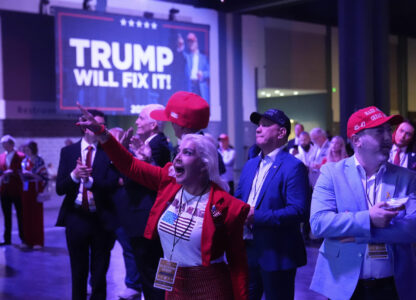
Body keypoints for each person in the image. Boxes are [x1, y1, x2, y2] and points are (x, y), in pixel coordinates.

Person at [77, 104, 250, 300]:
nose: (176, 158)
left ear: (204, 164)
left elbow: (238, 266)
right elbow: (130, 164)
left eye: (187, 153)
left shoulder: (226, 206)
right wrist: (101, 132)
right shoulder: (169, 182)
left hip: (207, 288)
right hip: (170, 277)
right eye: (179, 151)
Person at [310, 106, 416, 300]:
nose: (387, 137)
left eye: (388, 130)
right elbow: (319, 223)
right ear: (356, 140)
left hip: (393, 286)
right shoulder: (332, 174)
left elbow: (412, 228)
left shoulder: (407, 178)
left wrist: (363, 234)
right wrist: (368, 218)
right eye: (378, 131)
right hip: (343, 286)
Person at [235, 108, 309, 300]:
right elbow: (238, 199)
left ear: (281, 132)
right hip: (247, 251)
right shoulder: (250, 164)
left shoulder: (294, 166)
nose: (258, 129)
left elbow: (298, 211)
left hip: (277, 254)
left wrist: (255, 216)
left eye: (266, 125)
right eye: (258, 125)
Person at [56, 109, 119, 300]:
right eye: (92, 125)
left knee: (99, 273)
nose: (97, 129)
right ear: (83, 126)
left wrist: (90, 182)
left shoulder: (110, 152)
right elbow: (60, 188)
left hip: (102, 219)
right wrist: (75, 176)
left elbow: (113, 184)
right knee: (78, 271)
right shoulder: (68, 152)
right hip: (76, 217)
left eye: (100, 125)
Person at [112, 104, 171, 300]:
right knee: (156, 274)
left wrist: (127, 156)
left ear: (154, 125)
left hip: (147, 218)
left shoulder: (156, 146)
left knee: (152, 273)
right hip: (147, 218)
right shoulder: (155, 144)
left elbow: (130, 178)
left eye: (141, 118)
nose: (136, 121)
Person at [150, 90, 226, 174]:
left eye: (172, 122)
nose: (172, 126)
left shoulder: (197, 152)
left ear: (181, 125)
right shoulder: (209, 149)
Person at [21, 141, 49, 249]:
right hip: (26, 189)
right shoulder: (24, 161)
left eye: (27, 148)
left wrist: (31, 174)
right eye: (24, 148)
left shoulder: (39, 160)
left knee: (36, 215)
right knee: (26, 215)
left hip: (36, 189)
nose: (25, 150)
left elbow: (44, 177)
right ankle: (27, 240)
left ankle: (38, 241)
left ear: (32, 148)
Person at [0, 135, 25, 246]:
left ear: (11, 144)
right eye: (2, 144)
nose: (2, 145)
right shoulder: (1, 157)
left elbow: (24, 171)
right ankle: (7, 239)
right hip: (4, 190)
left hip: (18, 190)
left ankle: (24, 238)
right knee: (6, 216)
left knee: (21, 215)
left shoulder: (21, 156)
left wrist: (13, 172)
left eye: (4, 143)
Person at [184, 33, 210, 102]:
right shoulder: (187, 56)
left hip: (200, 86)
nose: (190, 44)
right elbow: (181, 54)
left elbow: (210, 72)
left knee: (201, 107)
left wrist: (203, 74)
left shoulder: (204, 57)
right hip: (191, 86)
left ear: (196, 42)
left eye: (192, 42)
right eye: (189, 42)